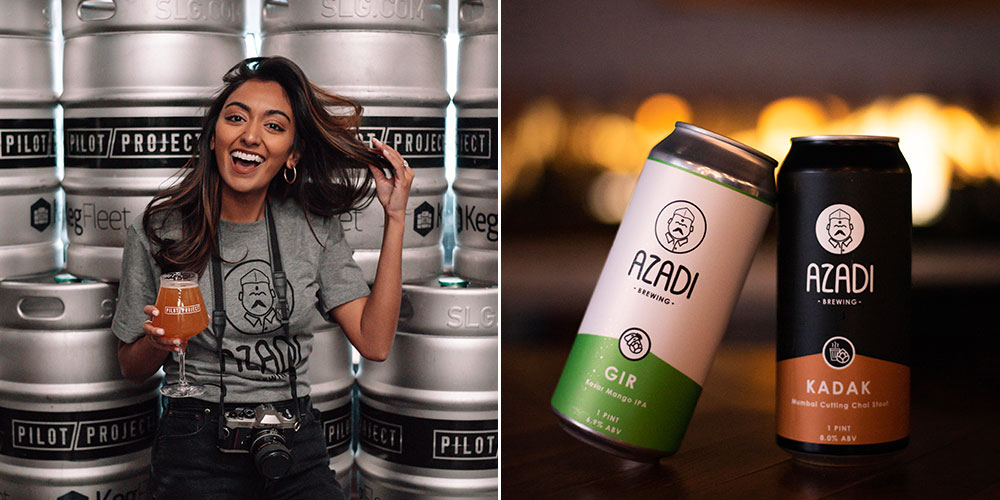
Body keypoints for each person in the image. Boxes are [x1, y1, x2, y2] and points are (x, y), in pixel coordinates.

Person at [111, 56, 413, 499]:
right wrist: (156, 343)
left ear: (292, 153)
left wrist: (396, 217)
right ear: (214, 136)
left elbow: (375, 342)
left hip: (294, 438)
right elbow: (129, 368)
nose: (250, 136)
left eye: (274, 126)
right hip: (195, 440)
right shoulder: (159, 229)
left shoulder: (313, 227)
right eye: (236, 118)